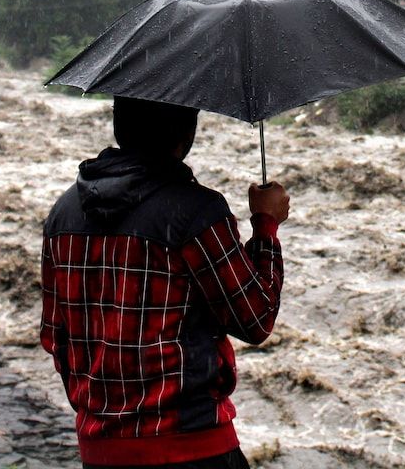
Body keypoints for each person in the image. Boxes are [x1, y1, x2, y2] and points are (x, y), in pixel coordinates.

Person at [41, 96, 288, 469]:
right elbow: (255, 319)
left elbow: (54, 337)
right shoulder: (197, 213)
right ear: (185, 134)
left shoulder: (63, 215)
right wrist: (266, 225)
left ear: (119, 125)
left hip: (101, 452)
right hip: (193, 449)